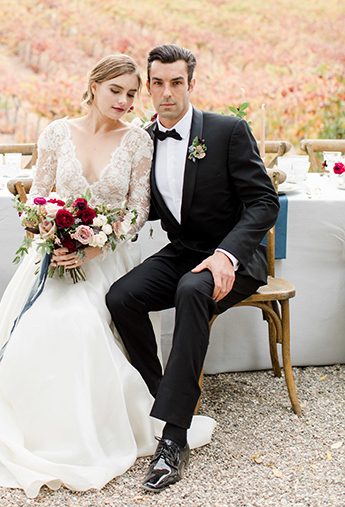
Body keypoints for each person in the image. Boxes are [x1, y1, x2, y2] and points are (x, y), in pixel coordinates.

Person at [0, 54, 214, 498]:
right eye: (116, 91)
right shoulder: (56, 133)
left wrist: (96, 244)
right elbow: (36, 198)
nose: (125, 101)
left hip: (105, 261)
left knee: (83, 322)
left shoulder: (138, 142)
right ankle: (33, 426)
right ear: (93, 86)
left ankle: (84, 430)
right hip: (49, 259)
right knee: (40, 326)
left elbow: (138, 209)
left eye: (131, 93)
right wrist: (49, 231)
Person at [106, 44, 280, 492]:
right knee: (121, 297)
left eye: (176, 82)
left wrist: (227, 254)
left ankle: (172, 436)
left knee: (191, 289)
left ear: (191, 84)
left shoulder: (227, 131)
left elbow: (263, 202)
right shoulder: (143, 140)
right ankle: (161, 392)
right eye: (158, 83)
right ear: (148, 87)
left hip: (233, 257)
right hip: (184, 251)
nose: (167, 92)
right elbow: (134, 207)